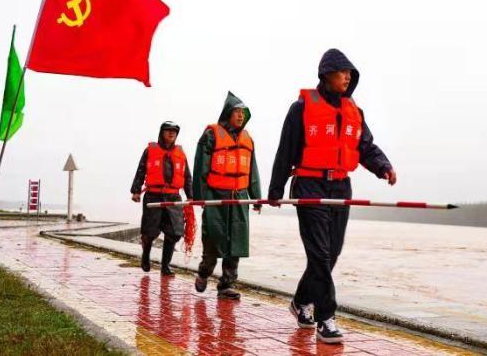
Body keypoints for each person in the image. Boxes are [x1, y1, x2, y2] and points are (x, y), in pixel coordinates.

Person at [268, 49, 397, 343]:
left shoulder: (355, 112)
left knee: (331, 253)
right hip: (309, 185)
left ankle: (301, 301)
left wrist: (384, 167)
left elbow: (365, 147)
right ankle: (325, 316)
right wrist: (275, 190)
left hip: (340, 187)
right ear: (326, 74)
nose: (348, 77)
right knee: (319, 254)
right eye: (343, 72)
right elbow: (285, 150)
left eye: (351, 73)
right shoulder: (301, 108)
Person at [193, 92, 262, 300]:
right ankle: (204, 272)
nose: (240, 116)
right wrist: (201, 196)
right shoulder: (211, 135)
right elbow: (201, 168)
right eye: (237, 112)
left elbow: (252, 170)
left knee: (236, 243)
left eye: (243, 112)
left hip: (239, 198)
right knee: (213, 240)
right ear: (227, 114)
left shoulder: (248, 139)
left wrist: (256, 197)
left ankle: (226, 285)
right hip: (216, 197)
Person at [131, 121, 193, 275]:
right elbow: (141, 170)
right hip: (154, 196)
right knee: (149, 232)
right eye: (168, 130)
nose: (171, 133)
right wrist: (136, 190)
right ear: (162, 132)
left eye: (174, 131)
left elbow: (187, 176)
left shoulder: (180, 153)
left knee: (174, 232)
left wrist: (191, 196)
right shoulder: (150, 150)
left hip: (173, 197)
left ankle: (165, 265)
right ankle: (146, 256)